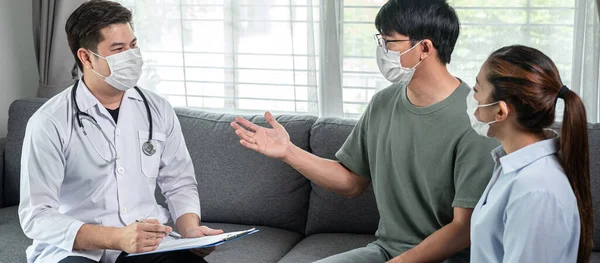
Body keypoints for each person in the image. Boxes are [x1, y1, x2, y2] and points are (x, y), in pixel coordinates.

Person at [231, 0, 498, 262]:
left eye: (389, 42)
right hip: (386, 250)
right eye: (379, 41)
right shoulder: (383, 103)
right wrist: (288, 151)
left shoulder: (475, 119)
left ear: (424, 48)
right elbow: (351, 183)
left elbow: (464, 229)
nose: (381, 50)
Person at [18, 1, 223, 262]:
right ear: (86, 57)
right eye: (118, 49)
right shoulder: (49, 122)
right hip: (74, 249)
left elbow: (179, 182)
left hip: (149, 244)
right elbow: (36, 216)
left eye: (133, 46)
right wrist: (116, 238)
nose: (131, 56)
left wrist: (190, 229)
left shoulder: (157, 109)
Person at [468, 45, 593, 263]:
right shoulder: (512, 167)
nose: (472, 98)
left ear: (501, 111)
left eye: (477, 89)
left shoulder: (536, 190)